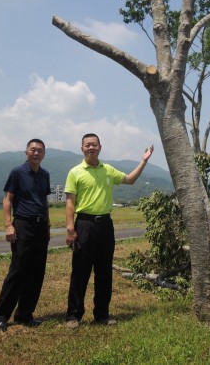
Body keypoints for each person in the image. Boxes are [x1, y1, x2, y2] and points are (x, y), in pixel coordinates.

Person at [64, 133, 154, 329]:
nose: (91, 148)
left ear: (100, 147)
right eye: (87, 145)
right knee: (80, 271)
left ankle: (102, 314)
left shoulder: (108, 170)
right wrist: (71, 229)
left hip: (105, 225)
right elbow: (70, 203)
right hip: (84, 224)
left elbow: (129, 180)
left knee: (104, 271)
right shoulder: (75, 172)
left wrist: (143, 161)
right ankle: (73, 315)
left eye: (94, 145)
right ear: (82, 149)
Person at [0, 139, 51, 332]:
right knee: (18, 270)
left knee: (37, 272)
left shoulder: (45, 174)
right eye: (32, 150)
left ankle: (25, 314)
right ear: (26, 152)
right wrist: (9, 225)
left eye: (39, 151)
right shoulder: (17, 172)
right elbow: (8, 200)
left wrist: (48, 224)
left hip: (42, 226)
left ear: (44, 154)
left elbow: (43, 201)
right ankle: (0, 316)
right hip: (23, 224)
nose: (36, 153)